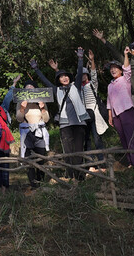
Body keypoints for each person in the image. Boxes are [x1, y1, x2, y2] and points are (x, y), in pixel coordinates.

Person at [36, 49, 89, 179]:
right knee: (68, 151)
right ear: (58, 80)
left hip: (78, 123)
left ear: (69, 78)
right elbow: (44, 80)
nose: (64, 78)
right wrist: (36, 68)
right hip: (65, 124)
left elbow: (80, 71)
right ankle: (71, 177)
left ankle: (80, 177)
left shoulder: (75, 86)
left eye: (66, 76)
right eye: (61, 76)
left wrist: (80, 58)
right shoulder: (56, 90)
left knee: (78, 150)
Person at [107, 49, 134, 174]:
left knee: (131, 136)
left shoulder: (125, 79)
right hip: (116, 115)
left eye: (115, 68)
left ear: (120, 70)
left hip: (127, 110)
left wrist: (126, 54)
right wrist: (110, 116)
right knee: (123, 139)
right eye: (111, 68)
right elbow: (109, 102)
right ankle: (130, 162)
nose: (113, 70)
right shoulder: (110, 85)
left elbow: (128, 69)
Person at [15, 79, 49, 188]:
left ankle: (40, 182)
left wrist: (42, 108)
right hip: (26, 133)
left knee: (41, 158)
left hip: (40, 132)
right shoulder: (20, 101)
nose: (29, 88)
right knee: (28, 160)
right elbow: (19, 119)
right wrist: (22, 108)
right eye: (27, 86)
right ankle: (33, 184)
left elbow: (47, 119)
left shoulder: (42, 100)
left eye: (31, 86)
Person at [80, 50, 108, 154]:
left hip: (94, 112)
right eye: (81, 75)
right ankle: (90, 163)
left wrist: (92, 60)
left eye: (84, 74)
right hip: (83, 114)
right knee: (86, 139)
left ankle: (102, 161)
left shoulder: (92, 84)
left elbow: (94, 74)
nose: (83, 76)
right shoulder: (77, 88)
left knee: (97, 138)